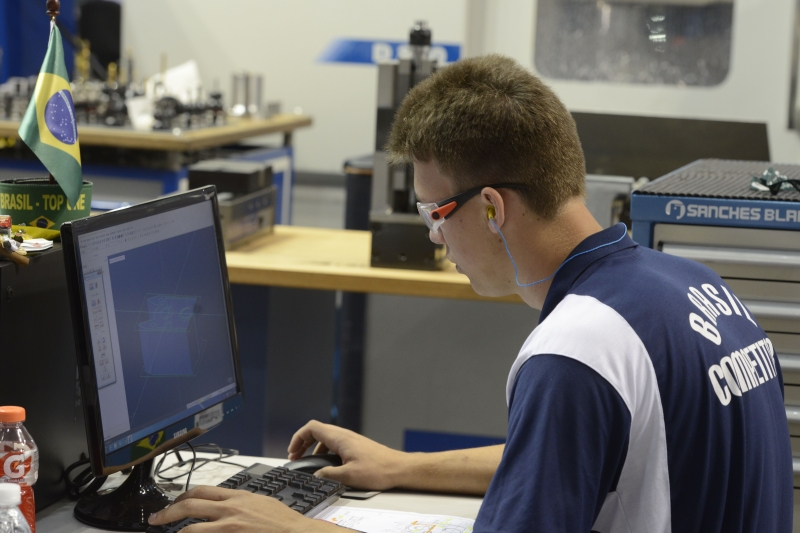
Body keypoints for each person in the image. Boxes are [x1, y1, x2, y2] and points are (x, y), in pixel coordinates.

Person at [149, 55, 793, 532]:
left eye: (434, 214)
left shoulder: (579, 350)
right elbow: (578, 458)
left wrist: (296, 527)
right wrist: (402, 467)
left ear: (490, 209)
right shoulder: (694, 286)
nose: (436, 241)